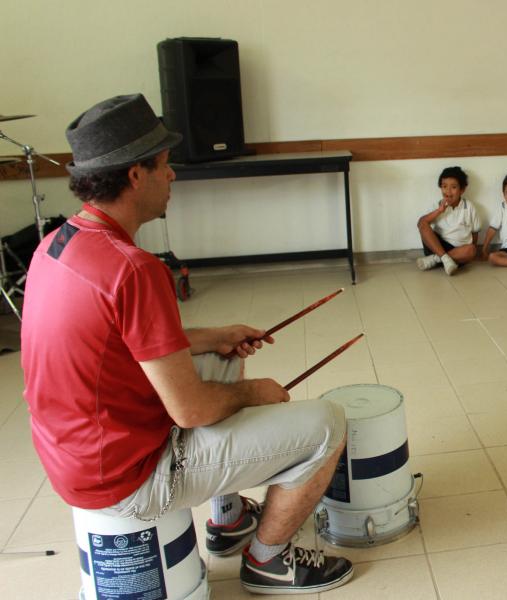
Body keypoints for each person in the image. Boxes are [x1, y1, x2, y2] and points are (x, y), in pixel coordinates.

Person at [20, 94, 354, 595]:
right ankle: (268, 561)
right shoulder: (135, 268)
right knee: (327, 423)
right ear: (135, 176)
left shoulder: (58, 243)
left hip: (75, 454)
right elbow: (191, 412)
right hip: (126, 479)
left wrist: (216, 337)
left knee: (215, 359)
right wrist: (255, 392)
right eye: (164, 164)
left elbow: (113, 343)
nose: (172, 175)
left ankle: (229, 516)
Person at [416, 166, 480, 275]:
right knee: (423, 224)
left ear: (462, 189)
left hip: (458, 253)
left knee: (472, 249)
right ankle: (444, 258)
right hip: (437, 247)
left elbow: (475, 232)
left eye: (453, 187)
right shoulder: (437, 205)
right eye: (444, 186)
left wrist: (469, 254)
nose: (448, 191)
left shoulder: (469, 207)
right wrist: (439, 211)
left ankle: (436, 259)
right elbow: (421, 223)